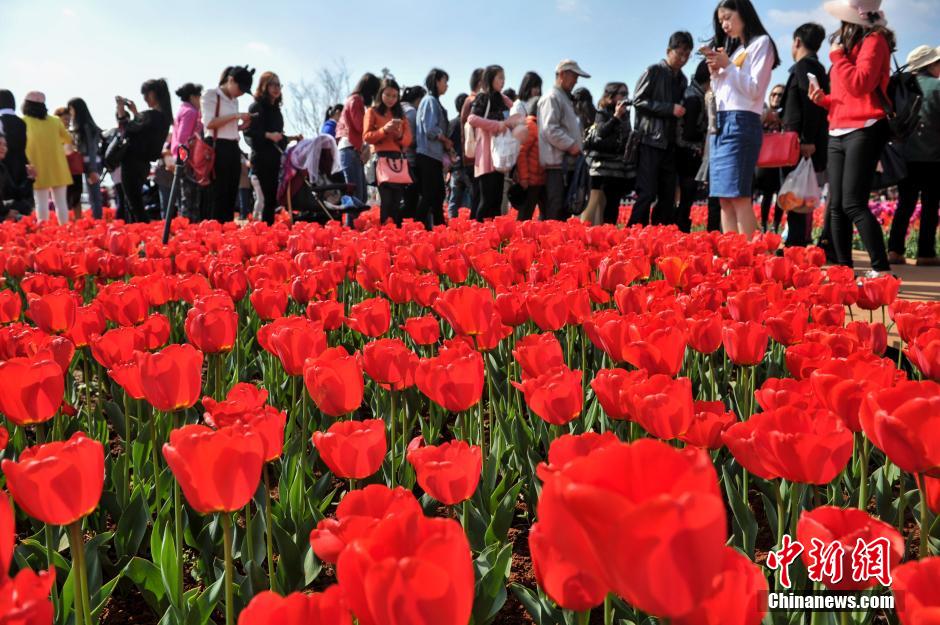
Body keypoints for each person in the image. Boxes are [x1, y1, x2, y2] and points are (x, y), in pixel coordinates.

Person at [809, 0, 893, 275]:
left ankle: (881, 269)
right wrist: (825, 100)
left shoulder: (874, 41)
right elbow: (845, 94)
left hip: (865, 127)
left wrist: (837, 58)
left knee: (853, 204)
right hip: (838, 128)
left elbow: (861, 84)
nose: (840, 28)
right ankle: (843, 269)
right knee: (835, 206)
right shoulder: (850, 46)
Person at [704, 0, 780, 235]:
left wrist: (727, 67)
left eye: (727, 17)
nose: (724, 25)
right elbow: (724, 91)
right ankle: (732, 256)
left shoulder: (762, 43)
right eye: (720, 21)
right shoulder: (738, 50)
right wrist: (716, 73)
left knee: (738, 196)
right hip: (721, 123)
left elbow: (754, 90)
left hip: (741, 121)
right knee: (724, 199)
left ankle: (746, 258)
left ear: (743, 13)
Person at [630, 31, 693, 227]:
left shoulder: (683, 79)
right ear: (668, 51)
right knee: (647, 193)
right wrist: (669, 109)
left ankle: (659, 239)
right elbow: (638, 101)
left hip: (671, 144)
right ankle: (633, 235)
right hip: (650, 140)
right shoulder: (654, 71)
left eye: (687, 54)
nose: (683, 58)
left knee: (667, 197)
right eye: (679, 53)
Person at [887, 45, 940, 266]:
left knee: (905, 204)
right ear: (930, 65)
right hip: (934, 156)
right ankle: (925, 254)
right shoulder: (937, 87)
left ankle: (895, 251)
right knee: (930, 206)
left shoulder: (901, 85)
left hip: (904, 155)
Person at [781, 22, 830, 248]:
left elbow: (810, 104)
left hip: (800, 142)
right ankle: (797, 242)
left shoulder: (804, 66)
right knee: (799, 194)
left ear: (797, 41)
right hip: (806, 140)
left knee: (796, 194)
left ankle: (795, 245)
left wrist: (807, 139)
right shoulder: (817, 67)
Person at [469, 65, 524, 221]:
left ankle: (492, 238)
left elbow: (515, 114)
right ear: (490, 78)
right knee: (486, 201)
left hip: (500, 155)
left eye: (503, 77)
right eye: (500, 77)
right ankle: (476, 236)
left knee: (497, 201)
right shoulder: (483, 97)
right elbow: (471, 119)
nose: (503, 80)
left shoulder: (503, 99)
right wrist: (498, 125)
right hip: (486, 155)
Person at [538, 59, 590, 221]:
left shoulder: (564, 98)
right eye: (573, 76)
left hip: (566, 165)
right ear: (562, 74)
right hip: (556, 166)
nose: (576, 81)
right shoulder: (552, 97)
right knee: (555, 210)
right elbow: (550, 129)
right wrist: (572, 145)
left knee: (563, 212)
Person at [203, 66, 254, 223]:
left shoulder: (234, 100)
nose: (241, 93)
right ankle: (215, 230)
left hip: (233, 147)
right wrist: (236, 116)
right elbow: (209, 123)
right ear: (231, 80)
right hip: (216, 146)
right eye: (241, 88)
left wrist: (241, 126)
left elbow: (228, 127)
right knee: (218, 193)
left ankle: (227, 228)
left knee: (231, 192)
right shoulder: (211, 95)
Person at [363, 78, 413, 225]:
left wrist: (398, 135)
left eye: (395, 96)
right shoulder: (372, 112)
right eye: (388, 95)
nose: (391, 99)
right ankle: (386, 233)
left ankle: (395, 234)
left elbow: (407, 141)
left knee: (397, 201)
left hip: (397, 159)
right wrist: (384, 130)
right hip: (381, 158)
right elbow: (367, 137)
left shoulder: (401, 115)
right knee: (386, 201)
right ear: (380, 94)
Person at [582, 82, 633, 225]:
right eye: (622, 94)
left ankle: (609, 235)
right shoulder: (602, 113)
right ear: (610, 96)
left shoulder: (626, 115)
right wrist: (616, 117)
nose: (625, 98)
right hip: (602, 167)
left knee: (613, 204)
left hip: (618, 167)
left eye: (626, 94)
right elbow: (600, 133)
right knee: (597, 203)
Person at [23, 91, 73, 223]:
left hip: (37, 168)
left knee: (41, 203)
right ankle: (65, 231)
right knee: (61, 203)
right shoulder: (55, 121)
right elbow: (69, 139)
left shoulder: (23, 122)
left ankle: (43, 233)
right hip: (58, 167)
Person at [246, 71, 288, 225]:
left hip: (274, 160)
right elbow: (249, 134)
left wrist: (285, 139)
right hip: (261, 160)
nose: (276, 88)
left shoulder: (277, 112)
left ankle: (268, 234)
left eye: (279, 85)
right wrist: (268, 135)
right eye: (272, 84)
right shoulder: (256, 107)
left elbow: (280, 138)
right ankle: (259, 234)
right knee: (263, 199)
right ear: (264, 86)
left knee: (272, 200)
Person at [337, 73, 381, 214]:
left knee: (360, 195)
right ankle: (350, 229)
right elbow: (360, 127)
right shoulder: (356, 100)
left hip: (353, 149)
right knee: (356, 195)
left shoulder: (354, 100)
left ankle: (352, 228)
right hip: (349, 148)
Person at [416, 68, 453, 228]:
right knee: (431, 195)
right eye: (445, 81)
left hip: (433, 155)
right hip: (428, 155)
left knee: (437, 195)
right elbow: (430, 129)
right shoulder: (430, 101)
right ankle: (415, 228)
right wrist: (445, 140)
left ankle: (439, 230)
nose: (447, 85)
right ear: (436, 81)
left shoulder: (433, 101)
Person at [676, 61, 711, 232]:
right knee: (686, 196)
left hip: (685, 152)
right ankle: (681, 228)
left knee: (685, 196)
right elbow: (689, 132)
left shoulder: (692, 92)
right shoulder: (694, 98)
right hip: (688, 152)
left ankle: (680, 226)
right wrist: (706, 133)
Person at [754, 84, 786, 233]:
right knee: (766, 194)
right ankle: (763, 224)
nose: (776, 97)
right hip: (764, 159)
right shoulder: (763, 112)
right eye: (774, 94)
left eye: (780, 95)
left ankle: (775, 226)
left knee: (780, 193)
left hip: (780, 160)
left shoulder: (786, 115)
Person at [170, 83, 204, 220]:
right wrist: (186, 160)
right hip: (187, 159)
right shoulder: (191, 112)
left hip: (180, 156)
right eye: (199, 97)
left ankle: (185, 226)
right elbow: (184, 138)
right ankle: (189, 229)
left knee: (185, 197)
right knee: (190, 198)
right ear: (192, 97)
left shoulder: (183, 109)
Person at [67, 97, 104, 219]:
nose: (70, 112)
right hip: (88, 164)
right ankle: (96, 220)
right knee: (93, 195)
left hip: (91, 164)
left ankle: (97, 221)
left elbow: (92, 149)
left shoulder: (86, 126)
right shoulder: (83, 126)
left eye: (71, 109)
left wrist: (92, 169)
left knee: (94, 195)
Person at [460, 68, 485, 215]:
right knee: (478, 195)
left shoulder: (472, 100)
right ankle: (475, 231)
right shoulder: (473, 100)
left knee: (478, 195)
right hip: (474, 156)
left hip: (473, 156)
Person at [516, 98, 545, 220]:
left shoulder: (535, 126)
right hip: (530, 181)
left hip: (536, 180)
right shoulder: (530, 126)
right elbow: (521, 152)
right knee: (525, 216)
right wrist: (524, 178)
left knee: (529, 216)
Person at [0, 91, 30, 209]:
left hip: (5, 164)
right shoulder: (22, 122)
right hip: (21, 163)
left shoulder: (1, 119)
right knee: (19, 198)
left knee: (5, 197)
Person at [54, 106, 85, 219]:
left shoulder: (73, 133)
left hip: (75, 169)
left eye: (69, 119)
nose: (67, 121)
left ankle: (78, 221)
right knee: (64, 198)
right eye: (65, 119)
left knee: (77, 197)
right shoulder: (54, 134)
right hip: (62, 169)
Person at [401, 86, 426, 219]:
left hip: (396, 162)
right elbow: (414, 139)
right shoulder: (412, 112)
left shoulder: (398, 109)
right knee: (412, 200)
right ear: (419, 99)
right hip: (410, 161)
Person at [446, 92, 470, 218]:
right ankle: (466, 225)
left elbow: (448, 145)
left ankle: (452, 224)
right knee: (469, 198)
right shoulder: (469, 123)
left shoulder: (452, 123)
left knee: (454, 199)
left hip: (455, 167)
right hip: (468, 165)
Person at [0, 132, 31, 220]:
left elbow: (15, 193)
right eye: (0, 144)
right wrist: (5, 212)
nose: (3, 148)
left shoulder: (2, 168)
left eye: (5, 145)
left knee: (23, 205)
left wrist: (30, 179)